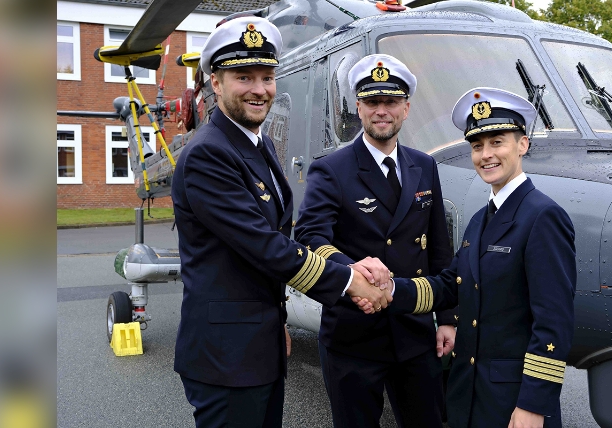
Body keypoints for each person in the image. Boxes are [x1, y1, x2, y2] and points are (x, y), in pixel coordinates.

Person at [171, 17, 388, 428]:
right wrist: (349, 281)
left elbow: (272, 239)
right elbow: (264, 247)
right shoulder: (207, 155)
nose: (259, 89)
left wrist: (274, 325)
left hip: (256, 344)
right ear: (215, 83)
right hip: (226, 356)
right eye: (243, 76)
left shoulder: (259, 143)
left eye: (267, 77)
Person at [380, 87, 577, 428]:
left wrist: (533, 404)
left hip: (513, 403)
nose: (486, 154)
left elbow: (553, 323)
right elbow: (449, 286)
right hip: (469, 394)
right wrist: (391, 290)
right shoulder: (480, 219)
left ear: (523, 145)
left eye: (497, 142)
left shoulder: (542, 216)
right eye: (477, 145)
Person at [295, 54, 457, 428]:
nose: (381, 111)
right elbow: (309, 235)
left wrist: (447, 318)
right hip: (353, 333)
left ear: (406, 107)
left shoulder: (424, 165)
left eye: (391, 102)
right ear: (358, 107)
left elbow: (438, 247)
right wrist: (352, 271)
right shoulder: (331, 168)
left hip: (414, 331)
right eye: (372, 102)